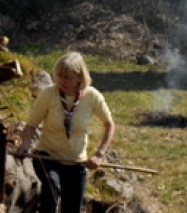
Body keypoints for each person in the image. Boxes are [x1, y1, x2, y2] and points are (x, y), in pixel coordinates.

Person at [14, 52, 115, 213]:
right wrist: (25, 144)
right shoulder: (48, 94)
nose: (61, 81)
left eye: (67, 78)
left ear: (80, 78)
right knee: (52, 188)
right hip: (47, 157)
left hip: (76, 162)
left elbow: (109, 125)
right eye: (59, 76)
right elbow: (31, 124)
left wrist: (99, 154)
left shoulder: (92, 96)